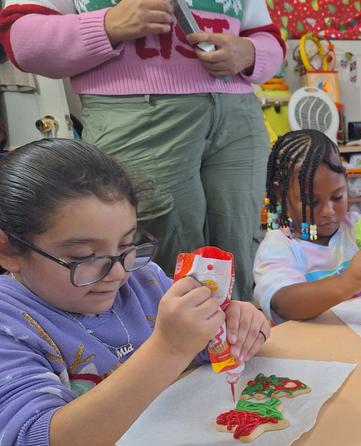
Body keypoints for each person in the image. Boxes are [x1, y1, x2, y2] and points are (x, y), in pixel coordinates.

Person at [0, 139, 270, 446]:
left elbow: (207, 350)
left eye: (128, 245)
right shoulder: (10, 322)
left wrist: (241, 323)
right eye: (84, 258)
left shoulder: (142, 281)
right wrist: (167, 349)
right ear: (9, 250)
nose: (117, 272)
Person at [0, 0, 286, 301]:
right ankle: (158, 345)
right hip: (137, 109)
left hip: (237, 114)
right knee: (154, 252)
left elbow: (266, 36)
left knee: (239, 241)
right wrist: (108, 25)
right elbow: (22, 40)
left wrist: (251, 53)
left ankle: (230, 343)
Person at [253, 129, 361, 322]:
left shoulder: (359, 228)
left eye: (337, 196)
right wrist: (347, 282)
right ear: (280, 193)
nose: (328, 211)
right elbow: (284, 305)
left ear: (345, 181)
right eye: (312, 201)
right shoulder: (280, 245)